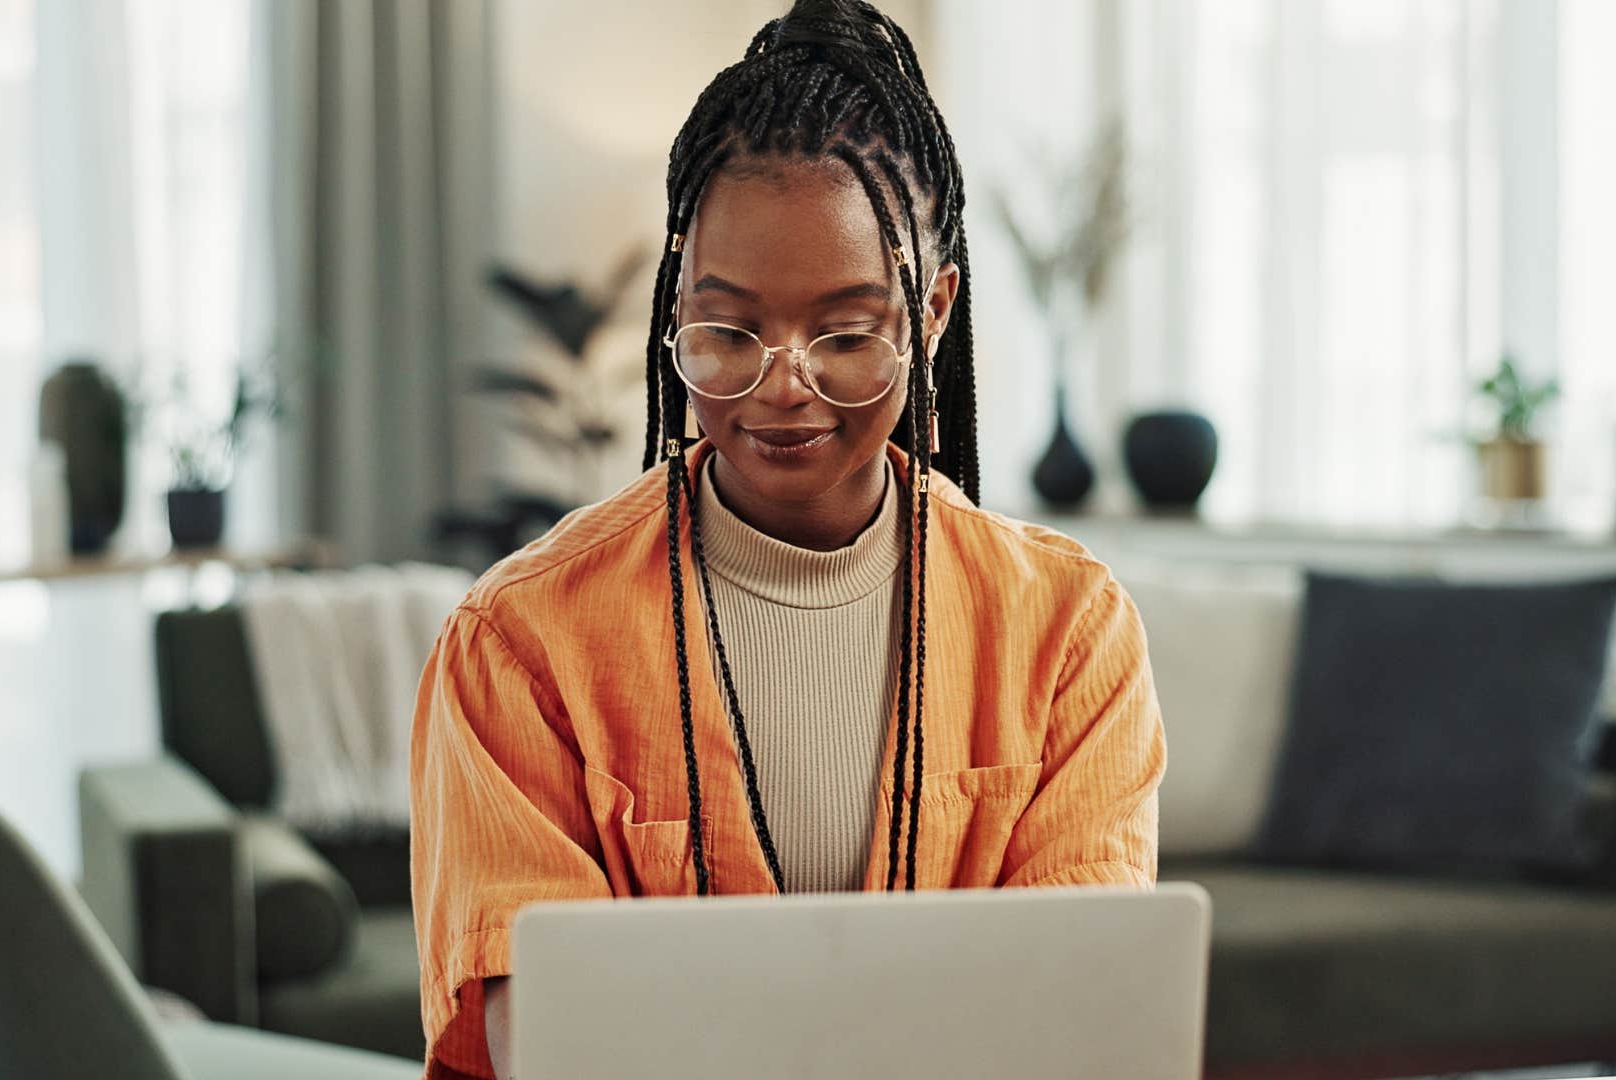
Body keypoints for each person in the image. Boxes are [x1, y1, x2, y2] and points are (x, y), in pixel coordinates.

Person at [408, 2, 1166, 1076]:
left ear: (932, 313)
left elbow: (1075, 1022)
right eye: (730, 331)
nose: (784, 386)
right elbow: (545, 1040)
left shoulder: (1069, 632)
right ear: (675, 312)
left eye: (847, 333)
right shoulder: (519, 641)